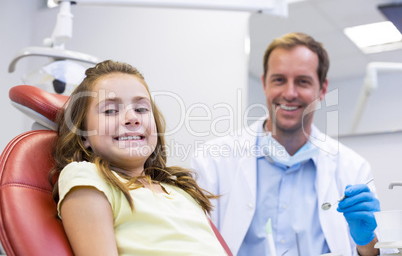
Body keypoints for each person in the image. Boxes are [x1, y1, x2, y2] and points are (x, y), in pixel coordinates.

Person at [191, 32, 381, 256]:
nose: (289, 93)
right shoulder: (212, 160)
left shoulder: (353, 168)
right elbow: (193, 245)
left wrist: (368, 242)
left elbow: (369, 253)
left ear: (322, 89)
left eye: (303, 81)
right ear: (264, 83)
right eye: (279, 80)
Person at [51, 60, 229, 256]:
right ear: (84, 135)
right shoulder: (87, 176)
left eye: (141, 109)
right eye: (110, 110)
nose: (132, 118)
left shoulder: (180, 191)